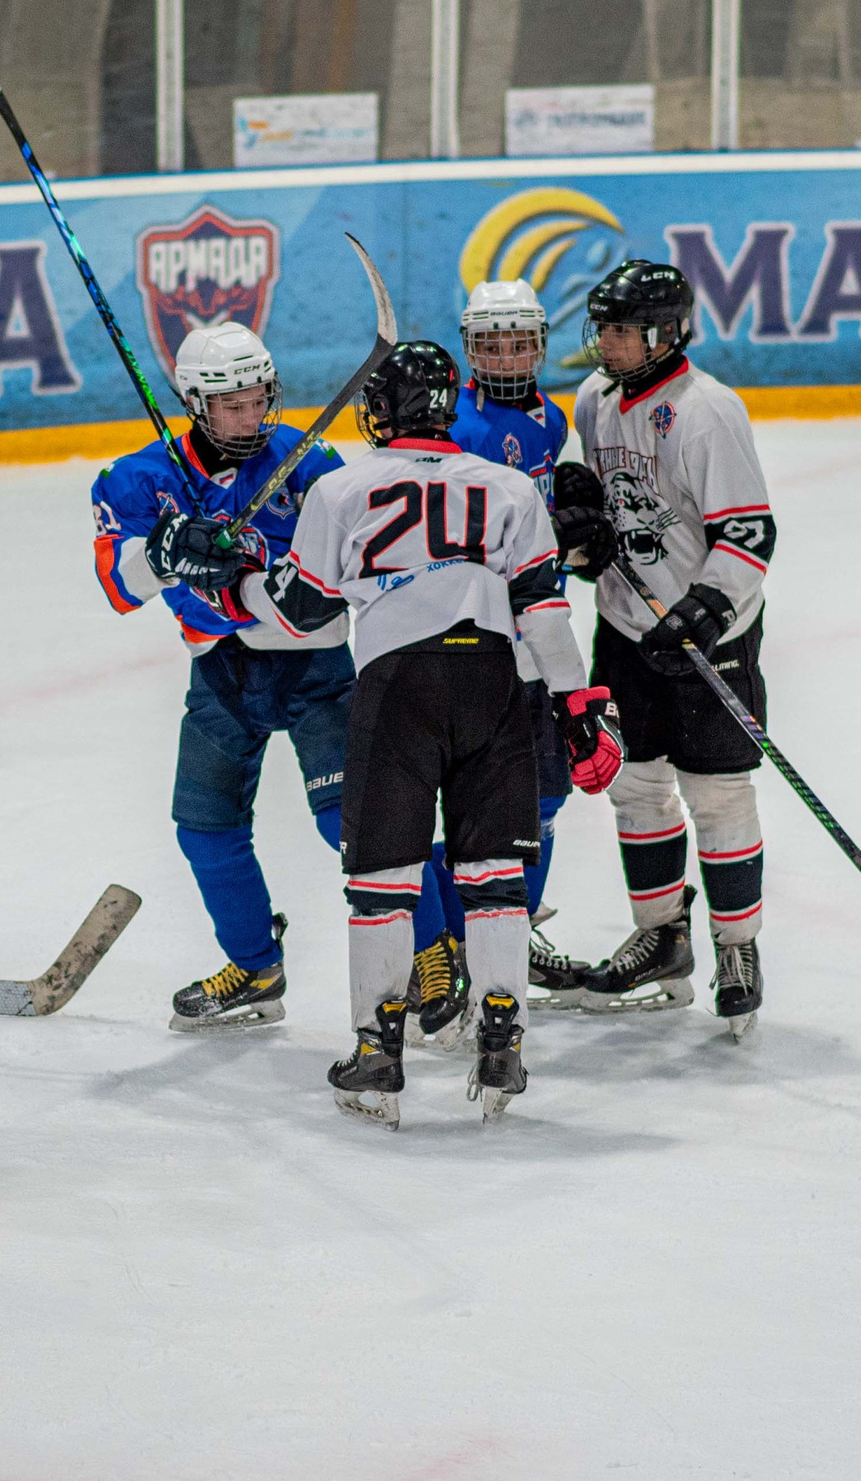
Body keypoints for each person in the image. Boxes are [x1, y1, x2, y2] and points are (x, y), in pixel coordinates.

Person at [160, 340, 620, 1126]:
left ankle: (378, 1047)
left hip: (396, 687)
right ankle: (501, 1035)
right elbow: (546, 612)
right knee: (493, 878)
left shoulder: (341, 489)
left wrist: (225, 575)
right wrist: (577, 708)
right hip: (495, 684)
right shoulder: (509, 487)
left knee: (382, 882)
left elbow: (303, 611)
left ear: (380, 413)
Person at [89, 322, 351, 1032]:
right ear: (195, 403)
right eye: (232, 404)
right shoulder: (142, 480)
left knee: (357, 828)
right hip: (224, 674)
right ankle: (256, 966)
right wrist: (165, 549)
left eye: (259, 398)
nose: (251, 416)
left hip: (315, 665)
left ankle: (436, 952)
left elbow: (361, 545)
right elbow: (117, 585)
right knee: (205, 829)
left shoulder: (307, 460)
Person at [556, 260, 776, 1034]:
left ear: (667, 332)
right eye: (604, 328)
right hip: (624, 631)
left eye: (624, 330)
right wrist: (582, 543)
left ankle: (738, 946)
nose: (608, 343)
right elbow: (602, 521)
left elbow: (749, 533)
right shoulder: (593, 401)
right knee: (637, 786)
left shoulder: (707, 411)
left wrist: (705, 609)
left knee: (716, 793)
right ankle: (662, 935)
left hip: (708, 637)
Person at [403, 281, 594, 1044]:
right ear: (470, 348)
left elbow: (558, 534)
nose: (509, 355)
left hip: (541, 640)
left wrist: (582, 533)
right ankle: (455, 939)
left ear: (541, 343)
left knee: (546, 800)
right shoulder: (456, 426)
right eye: (493, 343)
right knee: (476, 805)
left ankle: (510, 931)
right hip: (478, 643)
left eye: (521, 341)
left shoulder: (555, 419)